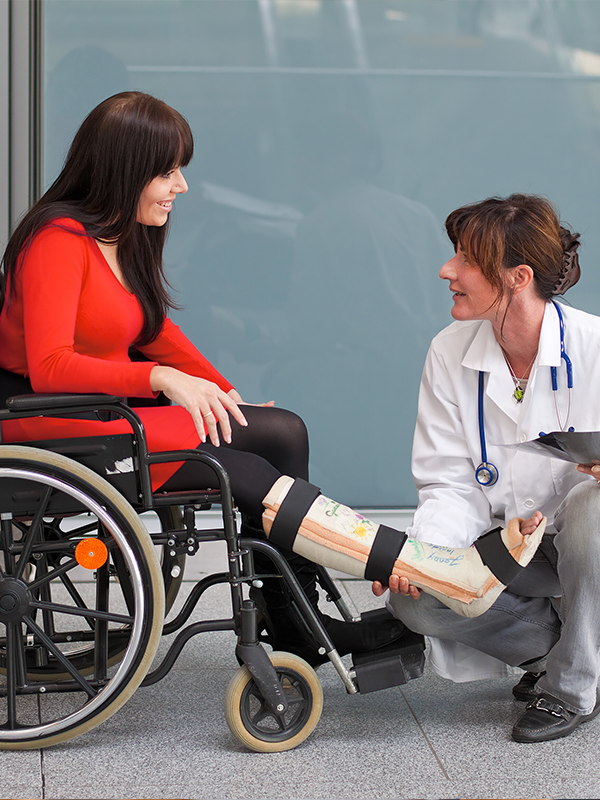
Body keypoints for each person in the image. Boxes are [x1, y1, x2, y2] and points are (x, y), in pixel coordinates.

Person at [0, 92, 541, 670]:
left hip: (104, 412)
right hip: (52, 421)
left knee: (281, 430)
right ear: (124, 170)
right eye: (167, 172)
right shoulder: (57, 242)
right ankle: (429, 569)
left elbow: (155, 330)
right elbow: (50, 366)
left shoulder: (119, 237)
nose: (181, 185)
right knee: (243, 472)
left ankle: (294, 619)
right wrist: (161, 379)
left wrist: (223, 393)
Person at [370, 193, 600, 743]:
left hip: (589, 550)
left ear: (519, 277)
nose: (447, 270)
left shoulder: (594, 348)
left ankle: (572, 689)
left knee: (592, 508)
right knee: (416, 598)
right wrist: (422, 555)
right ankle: (562, 654)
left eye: (467, 260)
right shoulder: (449, 351)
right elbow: (449, 483)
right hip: (511, 548)